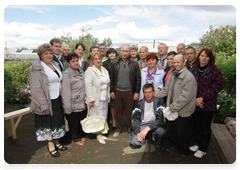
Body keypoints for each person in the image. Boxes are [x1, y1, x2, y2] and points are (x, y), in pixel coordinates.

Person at [154, 54, 197, 161]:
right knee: (173, 129)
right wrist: (152, 96)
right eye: (175, 62)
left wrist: (172, 107)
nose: (176, 64)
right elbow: (166, 90)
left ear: (184, 62)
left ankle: (184, 152)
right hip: (172, 109)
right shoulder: (173, 74)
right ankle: (174, 145)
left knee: (182, 132)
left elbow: (185, 97)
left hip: (183, 111)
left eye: (178, 62)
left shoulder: (189, 77)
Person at [29, 43, 67, 157]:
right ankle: (50, 145)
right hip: (46, 100)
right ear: (40, 55)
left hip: (57, 98)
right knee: (47, 123)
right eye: (46, 54)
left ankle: (57, 142)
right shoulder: (36, 67)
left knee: (57, 121)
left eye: (51, 53)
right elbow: (36, 88)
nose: (49, 55)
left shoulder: (54, 64)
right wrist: (44, 106)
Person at [189, 48, 223, 158]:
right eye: (202, 56)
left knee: (205, 127)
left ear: (210, 58)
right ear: (198, 57)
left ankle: (203, 148)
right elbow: (189, 86)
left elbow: (217, 86)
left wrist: (202, 98)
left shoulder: (215, 71)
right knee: (196, 125)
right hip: (195, 103)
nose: (204, 58)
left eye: (207, 56)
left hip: (208, 104)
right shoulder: (194, 70)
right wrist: (195, 99)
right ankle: (197, 143)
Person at [110, 44, 141, 138]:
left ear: (129, 52)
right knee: (118, 112)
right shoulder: (114, 63)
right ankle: (118, 129)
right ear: (120, 51)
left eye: (127, 51)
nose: (125, 53)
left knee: (130, 112)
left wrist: (136, 92)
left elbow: (138, 78)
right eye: (123, 51)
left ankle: (130, 129)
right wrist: (112, 91)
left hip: (129, 92)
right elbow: (111, 78)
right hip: (118, 91)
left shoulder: (134, 63)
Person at [130, 84, 166, 154]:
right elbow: (135, 119)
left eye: (149, 92)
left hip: (155, 124)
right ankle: (144, 139)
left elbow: (161, 119)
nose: (148, 94)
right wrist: (138, 132)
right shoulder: (139, 104)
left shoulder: (159, 102)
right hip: (143, 124)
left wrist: (147, 129)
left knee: (161, 132)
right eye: (145, 92)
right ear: (143, 93)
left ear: (153, 92)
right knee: (134, 142)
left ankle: (158, 145)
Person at [61, 53, 87, 146]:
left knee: (80, 120)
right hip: (73, 103)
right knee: (74, 122)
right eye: (73, 61)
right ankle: (75, 139)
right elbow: (65, 92)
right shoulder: (67, 75)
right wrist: (67, 108)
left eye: (77, 60)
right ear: (68, 63)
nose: (76, 63)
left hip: (82, 102)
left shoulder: (81, 71)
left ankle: (79, 136)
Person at [85, 52, 110, 144]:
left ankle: (101, 131)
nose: (98, 60)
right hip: (96, 98)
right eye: (95, 59)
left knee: (103, 116)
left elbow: (108, 84)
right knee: (96, 117)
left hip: (104, 98)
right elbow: (88, 86)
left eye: (99, 58)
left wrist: (109, 95)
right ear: (92, 60)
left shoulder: (104, 69)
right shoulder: (90, 71)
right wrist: (90, 100)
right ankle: (98, 134)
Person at [103, 48, 118, 127]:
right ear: (107, 55)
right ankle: (113, 121)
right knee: (112, 104)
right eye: (109, 53)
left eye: (113, 53)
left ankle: (119, 121)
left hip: (119, 84)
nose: (111, 55)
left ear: (116, 54)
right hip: (109, 85)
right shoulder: (105, 63)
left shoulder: (119, 61)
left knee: (118, 104)